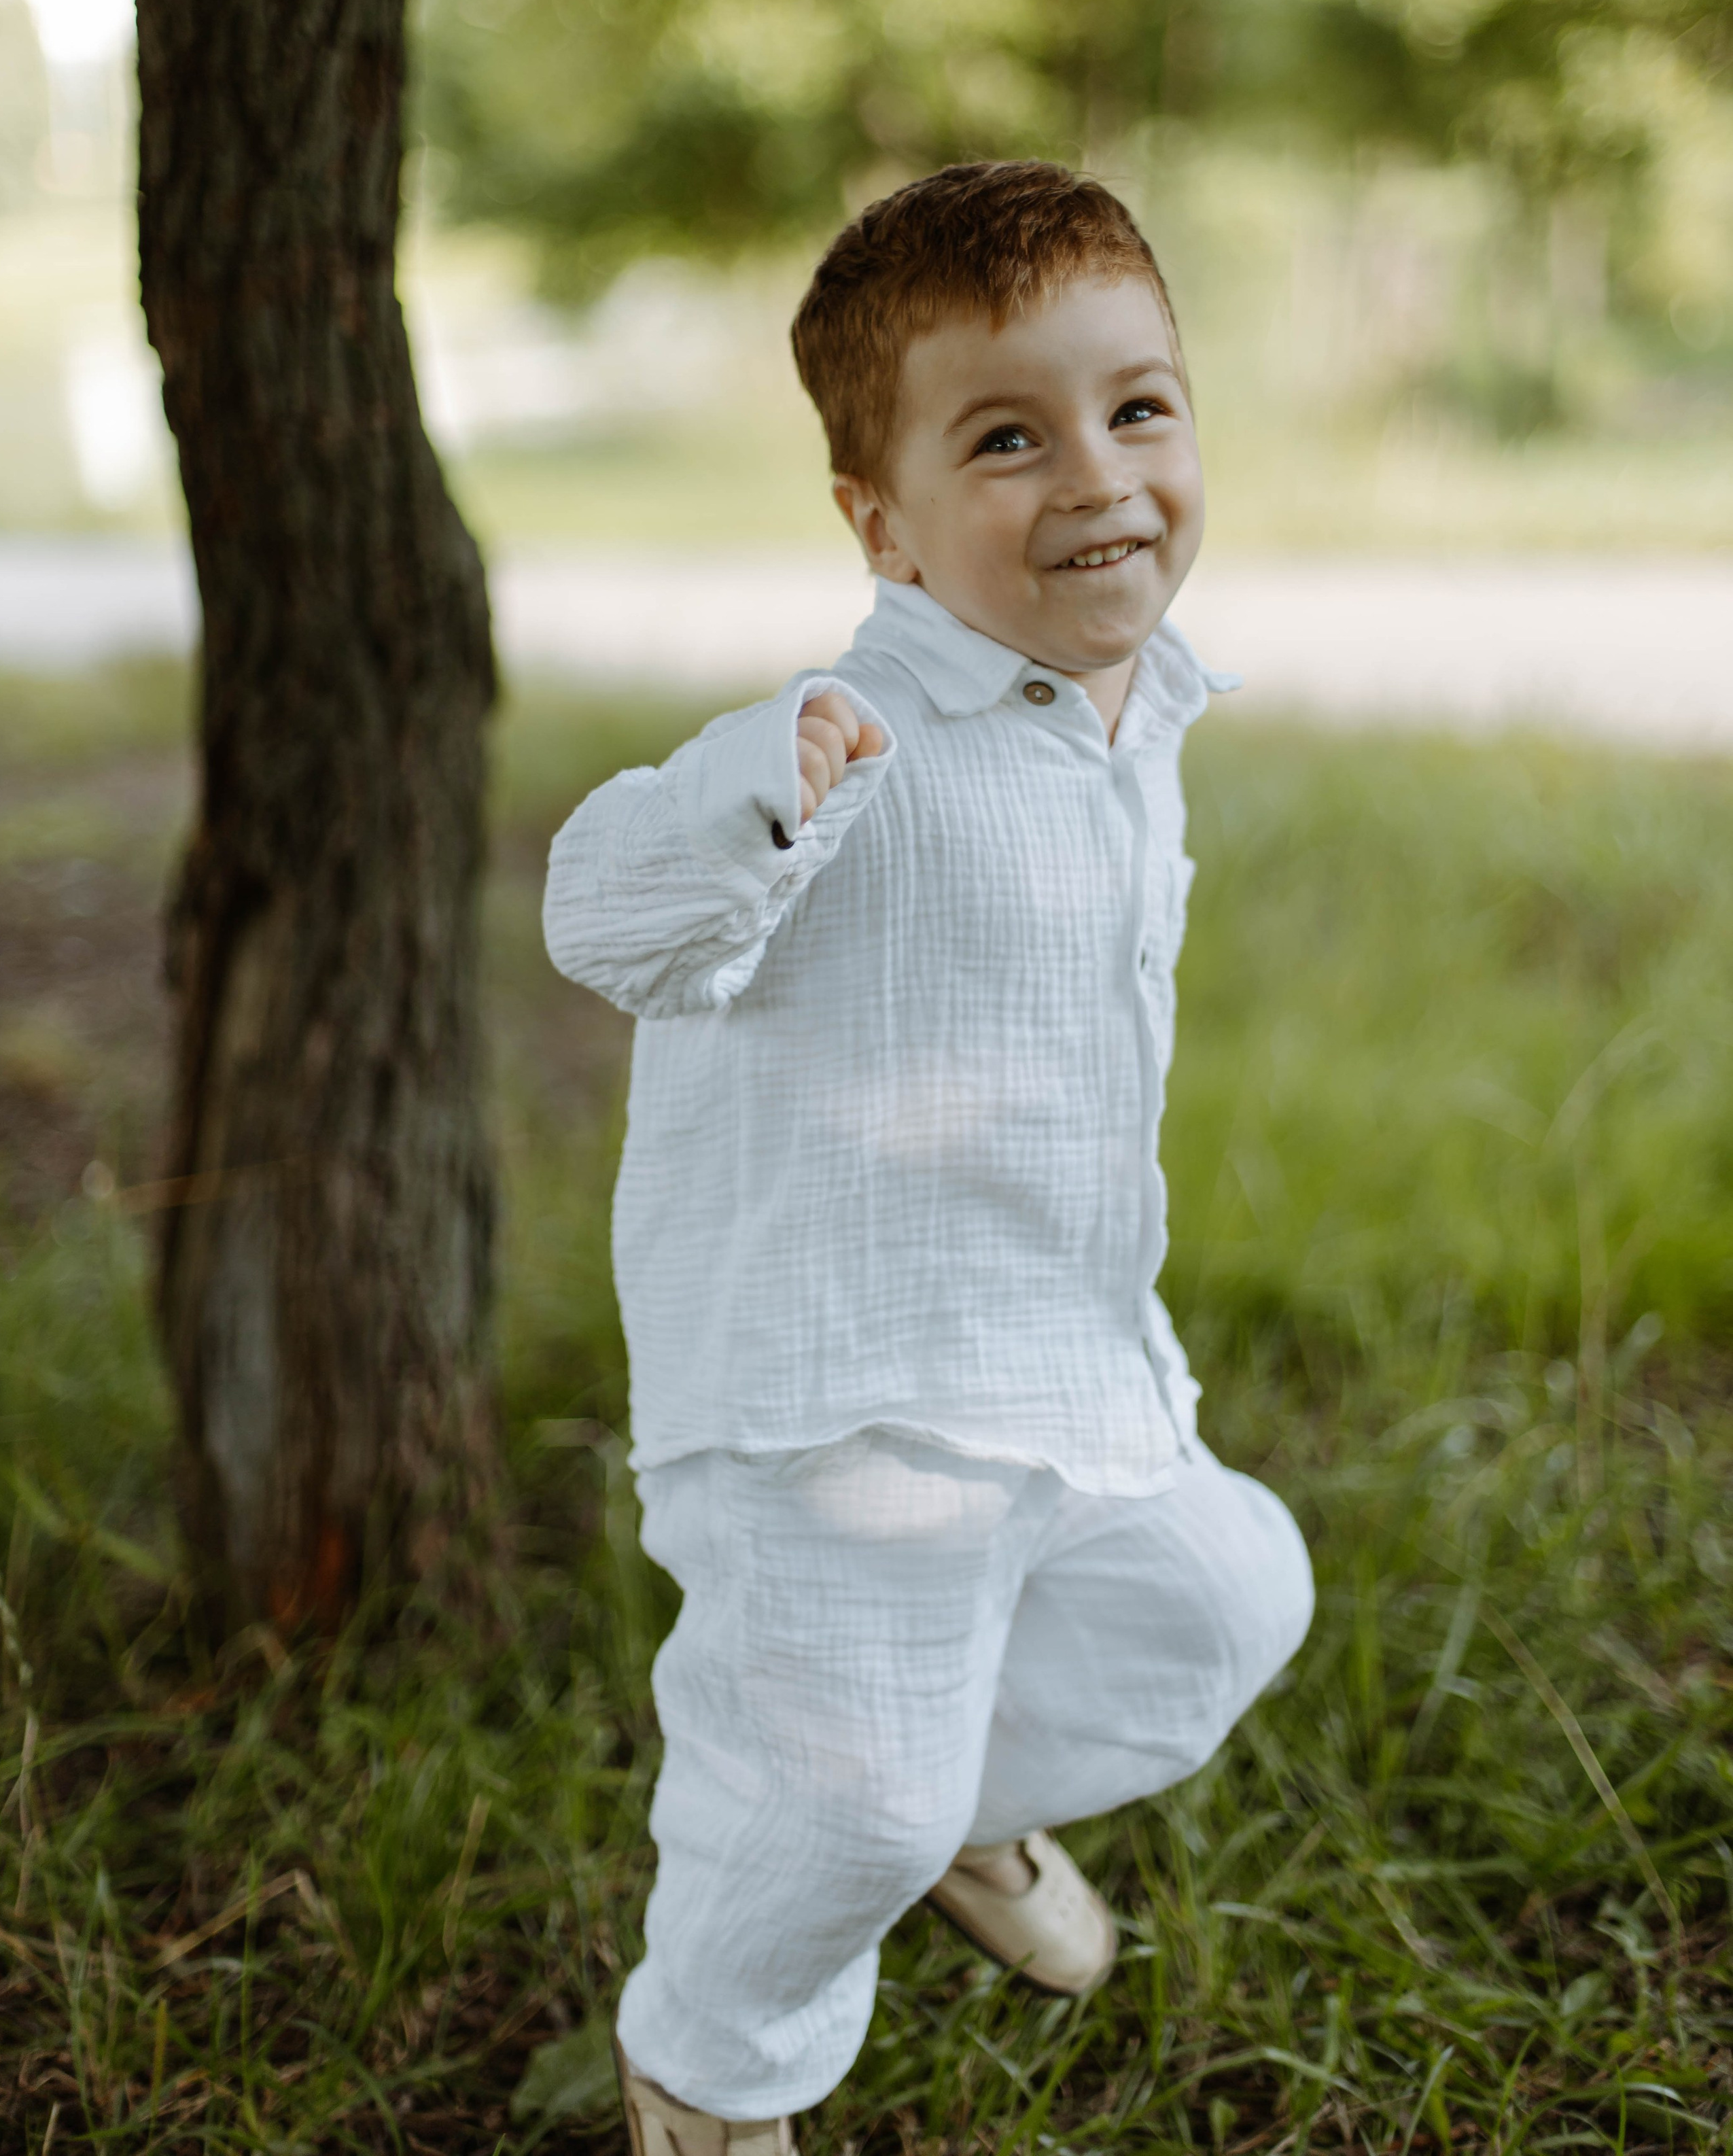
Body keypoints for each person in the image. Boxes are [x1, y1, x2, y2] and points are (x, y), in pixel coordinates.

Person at [543, 160, 1315, 2156]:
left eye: (1139, 407)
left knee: (1230, 1600)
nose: (1099, 476)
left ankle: (960, 1801)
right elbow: (608, 917)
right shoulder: (853, 736)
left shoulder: (1123, 712)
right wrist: (748, 798)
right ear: (878, 524)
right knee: (838, 1796)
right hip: (831, 1412)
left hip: (1056, 1364)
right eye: (1007, 437)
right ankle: (710, 2066)